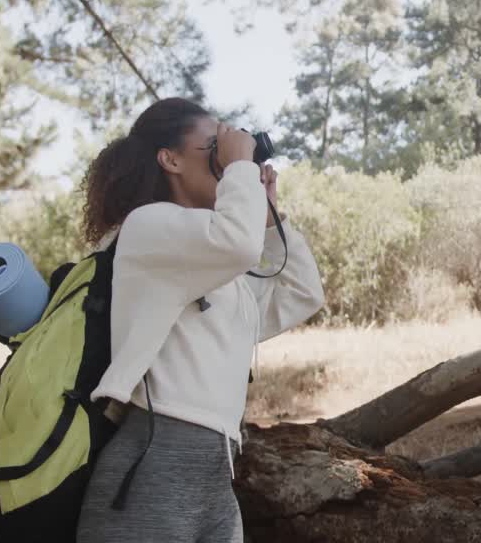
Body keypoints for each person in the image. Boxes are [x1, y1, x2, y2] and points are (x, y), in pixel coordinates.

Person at [74, 97, 326, 543]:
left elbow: (303, 294)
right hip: (151, 467)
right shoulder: (147, 227)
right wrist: (241, 171)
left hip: (216, 470)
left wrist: (268, 216)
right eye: (215, 148)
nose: (227, 159)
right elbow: (237, 244)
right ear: (169, 159)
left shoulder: (214, 261)